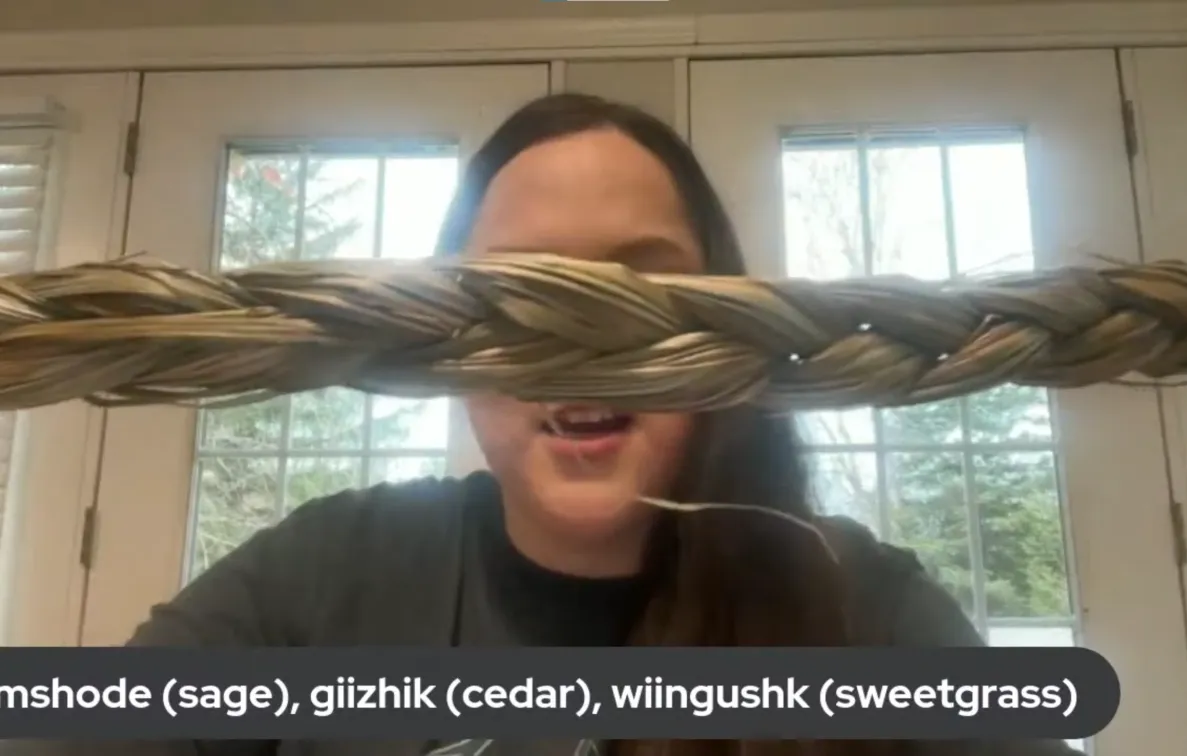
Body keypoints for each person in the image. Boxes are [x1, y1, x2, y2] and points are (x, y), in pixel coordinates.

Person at [22, 94, 1114, 756]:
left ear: (723, 329)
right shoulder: (321, 577)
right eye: (522, 291)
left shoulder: (861, 609)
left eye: (637, 286)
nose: (579, 341)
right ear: (444, 337)